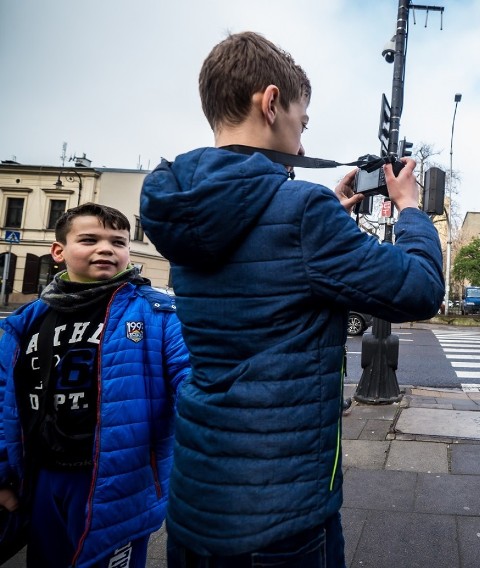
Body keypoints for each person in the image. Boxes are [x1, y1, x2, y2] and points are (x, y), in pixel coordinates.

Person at [139, 31, 444, 566]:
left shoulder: (183, 207)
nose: (303, 146)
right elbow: (420, 289)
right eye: (302, 124)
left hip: (196, 499)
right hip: (281, 509)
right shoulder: (303, 213)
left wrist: (328, 212)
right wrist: (413, 211)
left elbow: (264, 262)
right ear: (271, 102)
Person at [0, 203, 190, 567]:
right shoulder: (25, 322)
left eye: (118, 242)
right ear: (58, 251)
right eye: (89, 239)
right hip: (42, 477)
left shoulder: (157, 314)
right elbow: (2, 398)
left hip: (116, 482)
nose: (106, 248)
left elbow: (189, 384)